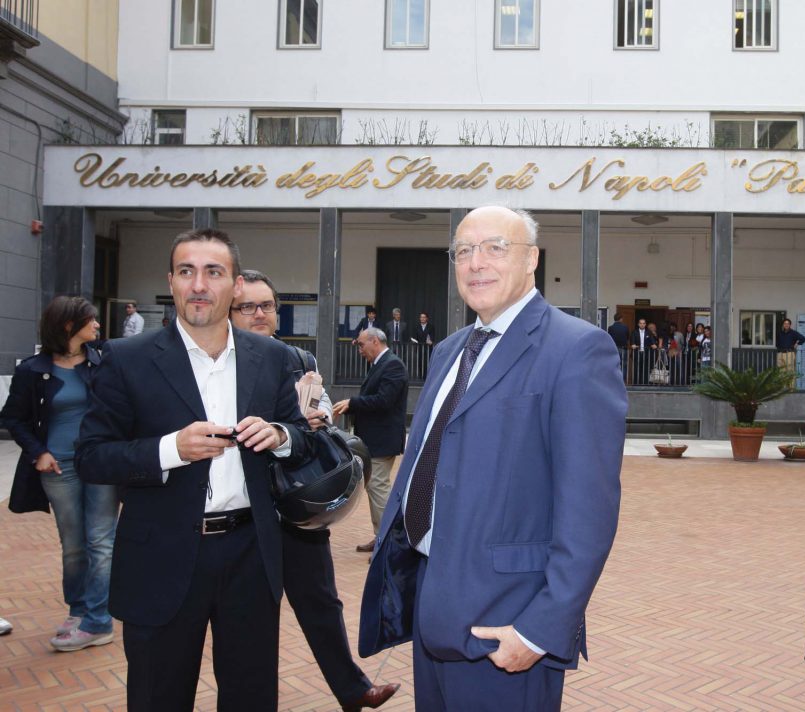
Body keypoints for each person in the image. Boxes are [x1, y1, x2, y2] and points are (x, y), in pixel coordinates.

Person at [358, 206, 627, 711]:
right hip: (433, 607)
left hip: (507, 625)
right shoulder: (450, 350)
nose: (476, 262)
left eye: (495, 248)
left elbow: (589, 511)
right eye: (463, 251)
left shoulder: (577, 349)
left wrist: (541, 629)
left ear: (532, 259)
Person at [75, 228, 315, 712]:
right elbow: (92, 456)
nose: (199, 285)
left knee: (251, 698)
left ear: (236, 285)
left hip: (250, 555)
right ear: (171, 281)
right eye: (187, 272)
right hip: (159, 556)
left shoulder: (272, 357)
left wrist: (280, 435)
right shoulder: (127, 359)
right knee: (158, 696)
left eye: (213, 272)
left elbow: (302, 437)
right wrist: (170, 449)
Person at [231, 271, 400, 712]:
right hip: (244, 510)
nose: (259, 314)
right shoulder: (221, 364)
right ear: (229, 312)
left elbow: (320, 413)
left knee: (321, 601)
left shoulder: (298, 357)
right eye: (247, 306)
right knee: (252, 616)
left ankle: (353, 690)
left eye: (267, 305)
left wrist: (314, 416)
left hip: (298, 502)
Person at [1, 296, 119, 651]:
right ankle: (78, 610)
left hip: (99, 462)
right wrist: (38, 452)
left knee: (101, 541)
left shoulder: (102, 361)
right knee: (74, 545)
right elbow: (13, 418)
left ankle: (98, 621)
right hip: (58, 467)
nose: (97, 325)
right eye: (91, 319)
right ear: (69, 325)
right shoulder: (33, 370)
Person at [332, 327, 409, 558]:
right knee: (375, 488)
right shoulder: (380, 364)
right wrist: (351, 405)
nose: (359, 350)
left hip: (382, 441)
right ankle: (381, 537)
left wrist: (353, 403)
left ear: (375, 341)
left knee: (378, 487)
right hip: (374, 440)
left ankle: (389, 544)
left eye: (361, 344)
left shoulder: (393, 365)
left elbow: (384, 401)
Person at [630, 317, 655, 385]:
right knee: (636, 369)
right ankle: (636, 384)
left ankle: (645, 383)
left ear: (645, 324)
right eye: (641, 323)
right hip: (637, 353)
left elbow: (652, 342)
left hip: (646, 353)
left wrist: (653, 345)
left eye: (643, 323)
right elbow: (632, 342)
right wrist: (633, 345)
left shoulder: (648, 332)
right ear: (638, 324)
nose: (642, 325)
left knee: (646, 369)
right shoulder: (634, 332)